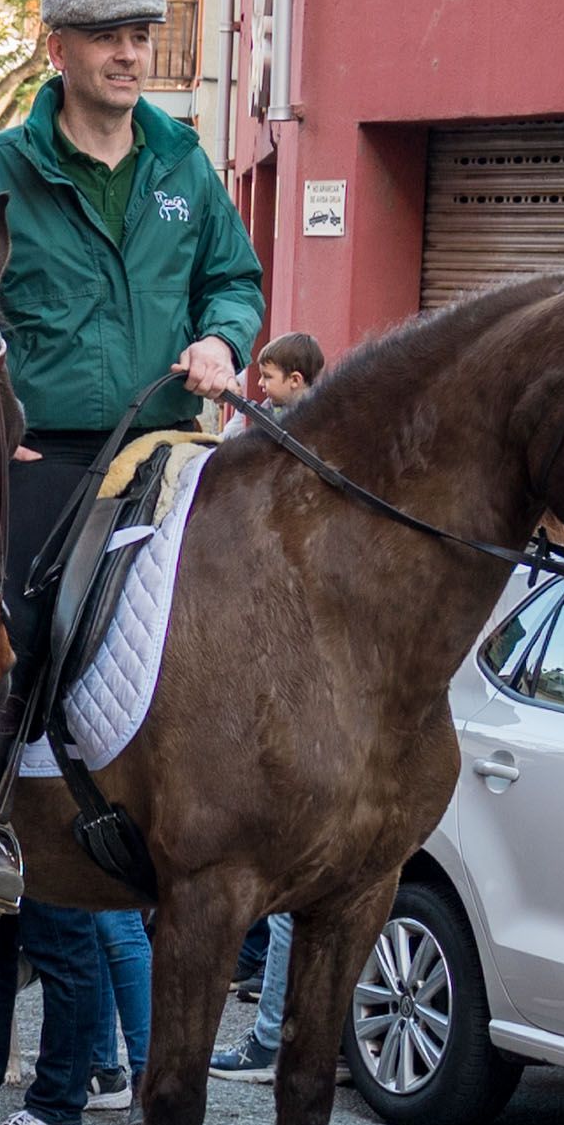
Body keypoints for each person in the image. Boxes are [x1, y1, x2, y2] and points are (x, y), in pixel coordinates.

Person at [0, 0, 261, 1125]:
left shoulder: (181, 164)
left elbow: (236, 277)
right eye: (107, 37)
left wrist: (223, 334)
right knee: (1, 628)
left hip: (174, 444)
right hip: (42, 446)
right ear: (53, 48)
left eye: (141, 36)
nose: (130, 53)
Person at [217, 330, 328, 1081]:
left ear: (297, 380)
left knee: (296, 889)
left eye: (270, 377)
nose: (261, 389)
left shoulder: (291, 437)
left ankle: (269, 1039)